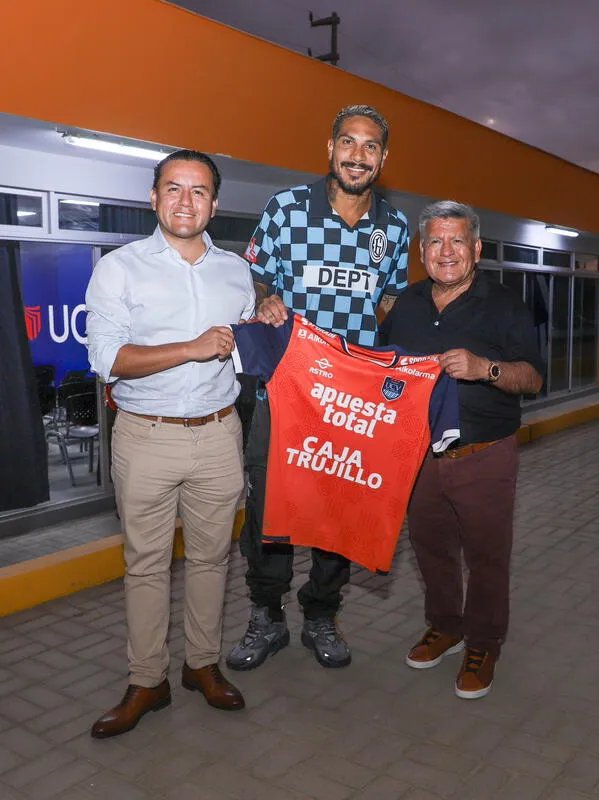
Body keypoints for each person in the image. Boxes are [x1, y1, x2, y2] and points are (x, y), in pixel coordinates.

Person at [226, 104, 410, 671]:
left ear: (384, 157)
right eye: (349, 143)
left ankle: (322, 612)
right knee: (270, 507)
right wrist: (264, 297)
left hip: (348, 399)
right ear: (329, 148)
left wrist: (359, 354)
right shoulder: (285, 209)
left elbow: (389, 302)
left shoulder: (394, 228)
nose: (358, 155)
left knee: (340, 506)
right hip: (284, 389)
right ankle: (266, 615)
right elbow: (256, 269)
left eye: (371, 146)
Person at [86, 150, 254, 738]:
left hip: (218, 434)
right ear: (153, 198)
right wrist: (191, 347)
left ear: (215, 203)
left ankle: (200, 666)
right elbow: (107, 360)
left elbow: (251, 339)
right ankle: (146, 679)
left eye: (200, 191)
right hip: (146, 437)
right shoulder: (119, 268)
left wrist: (270, 312)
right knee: (146, 565)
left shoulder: (236, 272)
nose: (187, 201)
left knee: (212, 559)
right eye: (174, 189)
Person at [380, 200, 544, 699]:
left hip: (484, 456)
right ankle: (446, 626)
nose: (445, 251)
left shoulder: (505, 305)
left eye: (456, 241)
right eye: (434, 241)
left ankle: (484, 641)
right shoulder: (404, 306)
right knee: (431, 550)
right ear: (421, 250)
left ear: (475, 248)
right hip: (420, 458)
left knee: (487, 556)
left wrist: (485, 369)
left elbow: (532, 378)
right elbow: (385, 371)